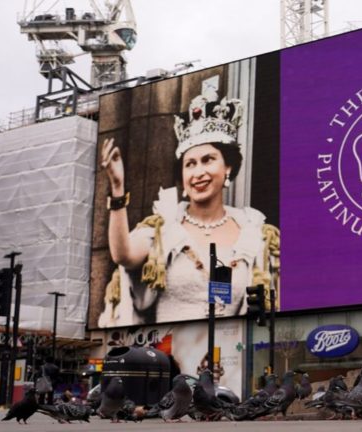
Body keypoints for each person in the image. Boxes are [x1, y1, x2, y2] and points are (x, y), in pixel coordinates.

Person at [97, 88, 280, 327]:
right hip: (169, 356)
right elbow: (124, 255)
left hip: (230, 356)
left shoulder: (255, 234)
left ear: (228, 168)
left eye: (208, 160)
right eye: (190, 164)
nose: (198, 173)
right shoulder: (163, 229)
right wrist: (118, 188)